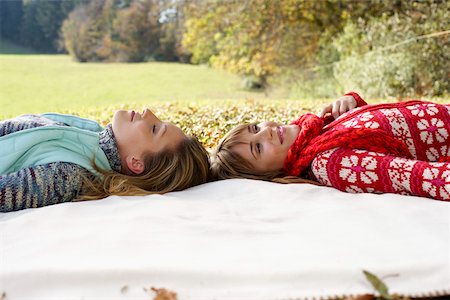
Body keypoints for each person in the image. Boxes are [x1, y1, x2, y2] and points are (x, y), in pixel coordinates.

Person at [211, 92, 450, 201]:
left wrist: (352, 102)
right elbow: (420, 177)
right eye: (258, 148)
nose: (266, 132)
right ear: (268, 175)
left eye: (254, 128)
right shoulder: (331, 163)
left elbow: (380, 131)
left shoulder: (314, 132)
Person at [0, 108, 210, 212]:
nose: (148, 112)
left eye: (155, 129)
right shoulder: (92, 136)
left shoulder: (69, 175)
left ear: (136, 162)